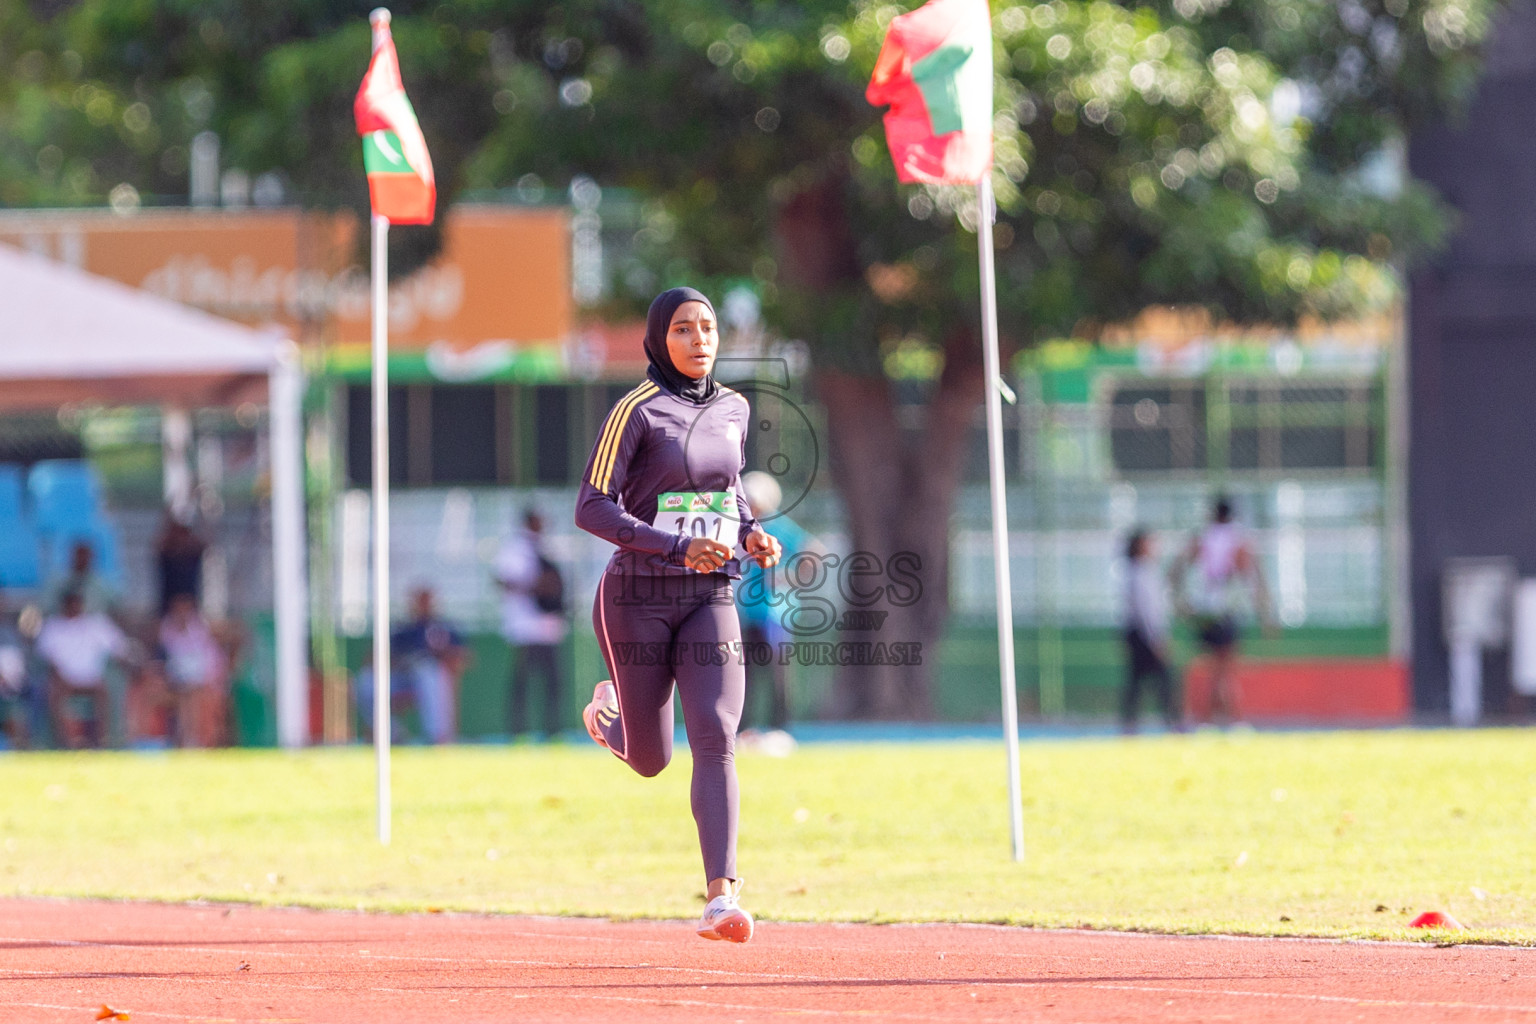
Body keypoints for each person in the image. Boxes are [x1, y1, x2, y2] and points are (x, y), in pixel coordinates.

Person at [574, 287, 782, 944]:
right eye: (684, 329)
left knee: (717, 736)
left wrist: (750, 533)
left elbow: (729, 492)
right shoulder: (636, 411)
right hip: (635, 601)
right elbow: (591, 507)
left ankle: (722, 898)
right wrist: (673, 545)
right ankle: (608, 718)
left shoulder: (734, 408)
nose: (699, 340)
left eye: (708, 328)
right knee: (650, 760)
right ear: (659, 339)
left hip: (709, 594)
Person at [1170, 496, 1275, 725]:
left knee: (1214, 670)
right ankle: (1228, 720)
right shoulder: (1239, 540)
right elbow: (1256, 578)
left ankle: (1214, 719)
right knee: (1225, 670)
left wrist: (1181, 602)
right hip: (1227, 611)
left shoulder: (1202, 538)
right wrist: (1266, 616)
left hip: (1203, 611)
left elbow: (1175, 570)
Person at [735, 470, 819, 742]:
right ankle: (741, 729)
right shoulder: (745, 528)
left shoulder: (777, 525)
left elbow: (813, 552)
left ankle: (780, 728)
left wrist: (788, 576)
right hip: (751, 612)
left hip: (776, 614)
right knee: (744, 675)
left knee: (778, 675)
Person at [356, 587, 467, 745]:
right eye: (419, 601)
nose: (422, 605)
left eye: (426, 601)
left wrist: (444, 658)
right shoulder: (403, 630)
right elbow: (373, 657)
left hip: (430, 680)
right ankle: (391, 734)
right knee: (367, 681)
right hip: (402, 678)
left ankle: (438, 737)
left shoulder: (445, 627)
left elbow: (463, 656)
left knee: (428, 672)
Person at [493, 511, 569, 739]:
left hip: (549, 625)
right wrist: (534, 588)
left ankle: (553, 730)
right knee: (522, 682)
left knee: (553, 682)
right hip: (525, 626)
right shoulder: (514, 548)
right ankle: (518, 731)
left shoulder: (547, 547)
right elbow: (501, 580)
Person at [35, 589, 133, 749]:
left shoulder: (96, 625)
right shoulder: (52, 627)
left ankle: (101, 742)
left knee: (106, 691)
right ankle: (65, 744)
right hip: (64, 681)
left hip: (93, 681)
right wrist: (61, 677)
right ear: (63, 606)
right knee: (53, 692)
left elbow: (121, 650)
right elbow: (48, 660)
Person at [1120, 529, 1179, 734]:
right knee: (1160, 679)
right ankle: (1170, 723)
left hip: (1142, 633)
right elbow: (1146, 610)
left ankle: (1132, 724)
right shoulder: (1138, 573)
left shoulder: (1146, 571)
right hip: (1142, 634)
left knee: (1139, 681)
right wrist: (1156, 638)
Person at [155, 593, 228, 747]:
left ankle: (195, 739)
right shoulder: (168, 628)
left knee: (192, 695)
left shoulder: (202, 628)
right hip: (180, 681)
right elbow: (170, 660)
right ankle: (185, 739)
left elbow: (211, 663)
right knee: (184, 696)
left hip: (206, 679)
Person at [155, 511, 206, 616]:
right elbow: (158, 543)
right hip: (169, 611)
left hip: (190, 609)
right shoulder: (167, 557)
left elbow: (206, 540)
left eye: (184, 534)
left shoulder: (193, 556)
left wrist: (200, 510)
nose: (181, 538)